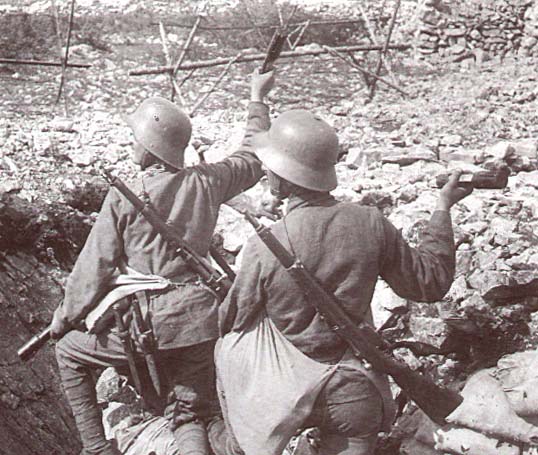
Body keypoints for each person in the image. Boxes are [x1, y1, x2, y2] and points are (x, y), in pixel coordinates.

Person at [217, 109, 473, 455]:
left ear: (285, 176)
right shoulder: (369, 222)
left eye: (269, 165)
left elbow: (233, 320)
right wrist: (442, 207)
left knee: (227, 359)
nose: (264, 170)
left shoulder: (266, 244)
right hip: (355, 394)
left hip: (283, 398)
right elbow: (429, 283)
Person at [50, 69, 275, 455]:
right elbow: (253, 156)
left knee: (68, 351)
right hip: (203, 324)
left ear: (150, 146)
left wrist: (64, 318)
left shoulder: (125, 195)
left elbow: (94, 267)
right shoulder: (207, 181)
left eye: (136, 138)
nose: (131, 144)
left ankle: (95, 448)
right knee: (189, 413)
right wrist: (257, 96)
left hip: (150, 326)